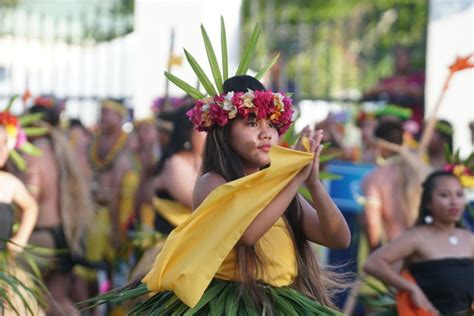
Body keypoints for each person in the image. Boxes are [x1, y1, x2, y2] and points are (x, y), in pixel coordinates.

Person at [364, 170, 474, 315]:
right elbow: (372, 263)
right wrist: (410, 288)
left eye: (459, 194)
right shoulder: (416, 236)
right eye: (444, 195)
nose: (454, 201)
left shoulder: (469, 238)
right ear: (428, 203)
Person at [25, 96, 92, 316]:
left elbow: (31, 197)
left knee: (27, 294)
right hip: (66, 234)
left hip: (42, 237)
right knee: (58, 299)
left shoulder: (34, 154)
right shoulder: (61, 149)